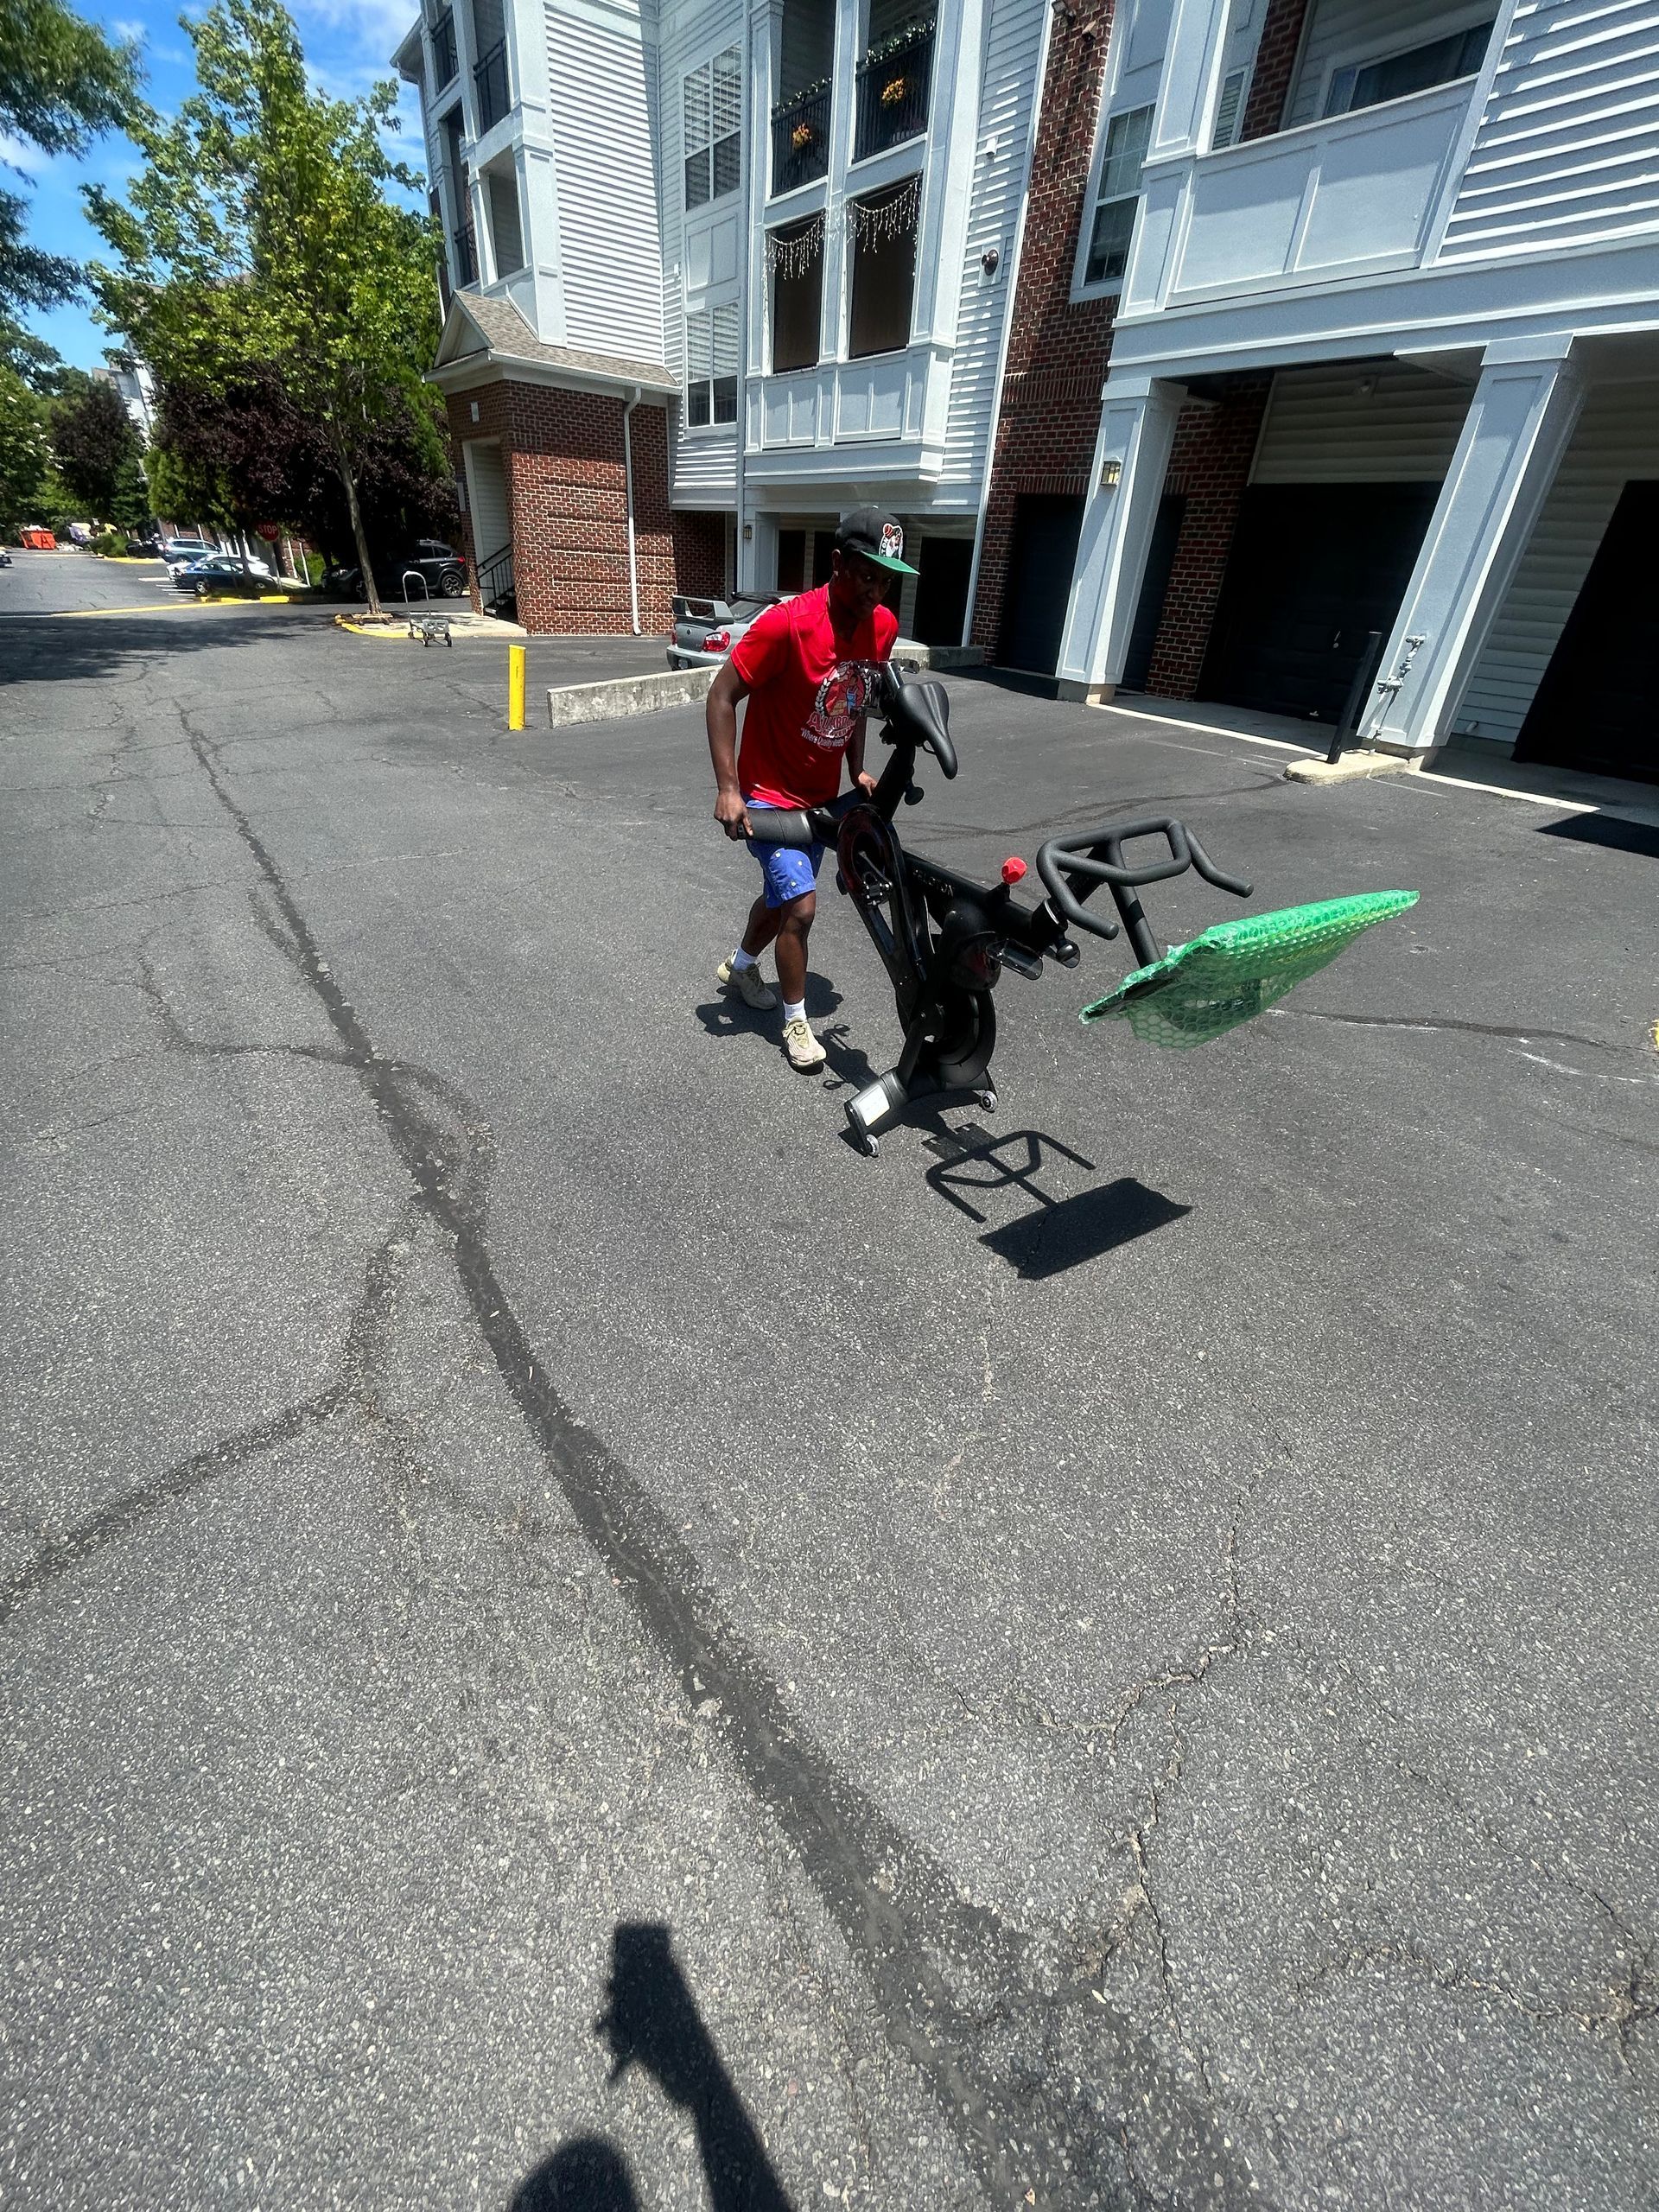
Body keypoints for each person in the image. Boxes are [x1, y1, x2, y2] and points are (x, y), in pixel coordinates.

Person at [707, 506, 914, 1069]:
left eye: (886, 578)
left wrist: (857, 770)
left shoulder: (883, 628)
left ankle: (742, 966)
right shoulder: (787, 624)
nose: (876, 588)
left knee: (781, 901)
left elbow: (854, 700)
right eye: (867, 573)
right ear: (838, 563)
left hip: (822, 799)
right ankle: (796, 1025)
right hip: (769, 796)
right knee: (800, 906)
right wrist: (729, 788)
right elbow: (721, 695)